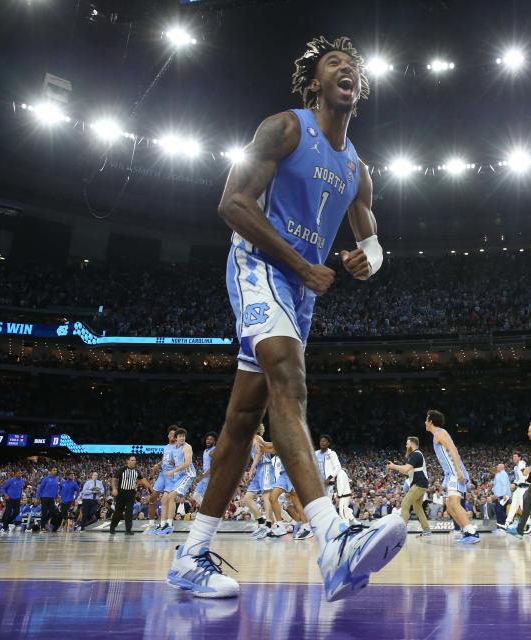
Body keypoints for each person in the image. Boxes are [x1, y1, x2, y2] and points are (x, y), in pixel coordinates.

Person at [166, 35, 405, 601]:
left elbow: (373, 245)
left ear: (359, 89)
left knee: (244, 416)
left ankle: (191, 553)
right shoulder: (285, 128)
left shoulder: (357, 170)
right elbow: (232, 202)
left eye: (353, 66)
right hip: (259, 267)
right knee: (290, 381)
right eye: (334, 64)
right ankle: (334, 537)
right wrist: (302, 262)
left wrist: (363, 261)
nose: (346, 69)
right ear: (315, 83)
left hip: (301, 291)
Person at [426, 409, 480, 544]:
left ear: (430, 421)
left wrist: (458, 471)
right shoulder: (437, 435)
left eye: (426, 419)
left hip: (454, 473)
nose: (424, 422)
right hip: (450, 473)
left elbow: (454, 450)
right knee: (449, 506)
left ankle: (472, 531)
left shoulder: (439, 433)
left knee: (454, 504)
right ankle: (466, 530)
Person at [151, 428, 195, 536]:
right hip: (178, 476)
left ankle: (170, 525)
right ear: (176, 438)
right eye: (179, 436)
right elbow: (175, 461)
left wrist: (173, 470)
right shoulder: (174, 448)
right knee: (164, 499)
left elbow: (187, 463)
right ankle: (163, 524)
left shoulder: (187, 447)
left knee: (171, 497)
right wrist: (169, 464)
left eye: (183, 436)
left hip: (187, 475)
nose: (182, 438)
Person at [387, 436, 431, 537]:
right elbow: (404, 470)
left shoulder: (416, 454)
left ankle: (401, 532)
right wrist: (394, 467)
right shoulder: (414, 456)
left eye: (407, 444)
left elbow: (405, 469)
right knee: (417, 507)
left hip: (419, 484)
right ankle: (427, 530)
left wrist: (394, 466)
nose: (406, 446)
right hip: (420, 484)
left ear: (412, 443)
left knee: (405, 504)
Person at [244, 424, 277, 539]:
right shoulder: (250, 440)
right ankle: (261, 522)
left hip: (266, 467)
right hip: (259, 469)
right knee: (247, 498)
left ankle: (268, 526)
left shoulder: (257, 438)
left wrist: (251, 469)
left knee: (266, 497)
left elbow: (259, 453)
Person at [145, 427, 180, 531]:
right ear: (168, 435)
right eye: (170, 434)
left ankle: (168, 522)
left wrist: (176, 464)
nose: (171, 436)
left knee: (167, 499)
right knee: (152, 498)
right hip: (162, 475)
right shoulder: (166, 447)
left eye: (174, 434)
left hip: (171, 475)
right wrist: (157, 465)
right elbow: (164, 459)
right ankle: (151, 523)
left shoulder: (179, 447)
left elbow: (182, 461)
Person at [267, 455, 308, 539]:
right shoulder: (274, 458)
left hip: (292, 473)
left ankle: (306, 526)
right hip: (282, 475)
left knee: (296, 502)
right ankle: (280, 526)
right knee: (272, 498)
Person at [111, 456, 147, 535]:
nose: (134, 461)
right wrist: (114, 488)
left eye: (135, 460)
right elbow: (114, 478)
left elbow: (141, 479)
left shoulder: (137, 471)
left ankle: (128, 530)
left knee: (129, 512)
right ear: (128, 461)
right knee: (118, 512)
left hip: (131, 494)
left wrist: (136, 485)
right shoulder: (122, 469)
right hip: (121, 493)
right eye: (132, 460)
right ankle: (112, 526)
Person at [504, 452, 531, 533]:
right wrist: (514, 483)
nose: (514, 458)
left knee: (524, 507)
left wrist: (515, 483)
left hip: (524, 488)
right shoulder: (516, 467)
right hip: (518, 489)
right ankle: (507, 523)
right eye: (513, 457)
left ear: (520, 457)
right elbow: (518, 478)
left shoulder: (522, 463)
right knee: (513, 506)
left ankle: (529, 526)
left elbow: (525, 476)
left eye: (515, 457)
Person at [191, 432, 218, 508]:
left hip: (210, 477)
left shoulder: (214, 451)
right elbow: (205, 466)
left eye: (211, 439)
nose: (208, 441)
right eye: (207, 439)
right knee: (196, 495)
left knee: (205, 497)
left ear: (214, 442)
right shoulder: (205, 451)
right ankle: (207, 509)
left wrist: (202, 476)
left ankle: (208, 510)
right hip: (204, 477)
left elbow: (213, 467)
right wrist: (200, 476)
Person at [36, 466, 61, 532]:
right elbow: (40, 488)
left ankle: (45, 523)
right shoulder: (46, 479)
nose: (55, 471)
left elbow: (56, 489)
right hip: (44, 498)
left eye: (56, 470)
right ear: (50, 471)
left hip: (52, 498)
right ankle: (42, 527)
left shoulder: (56, 479)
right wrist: (38, 497)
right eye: (54, 470)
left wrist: (57, 496)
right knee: (44, 513)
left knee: (54, 512)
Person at [492, 463, 511, 530]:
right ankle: (499, 525)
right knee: (497, 510)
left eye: (498, 466)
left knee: (500, 510)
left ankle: (503, 525)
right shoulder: (498, 474)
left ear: (502, 467)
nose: (496, 467)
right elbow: (496, 485)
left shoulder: (503, 474)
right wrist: (494, 494)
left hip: (503, 496)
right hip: (498, 496)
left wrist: (504, 494)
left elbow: (505, 485)